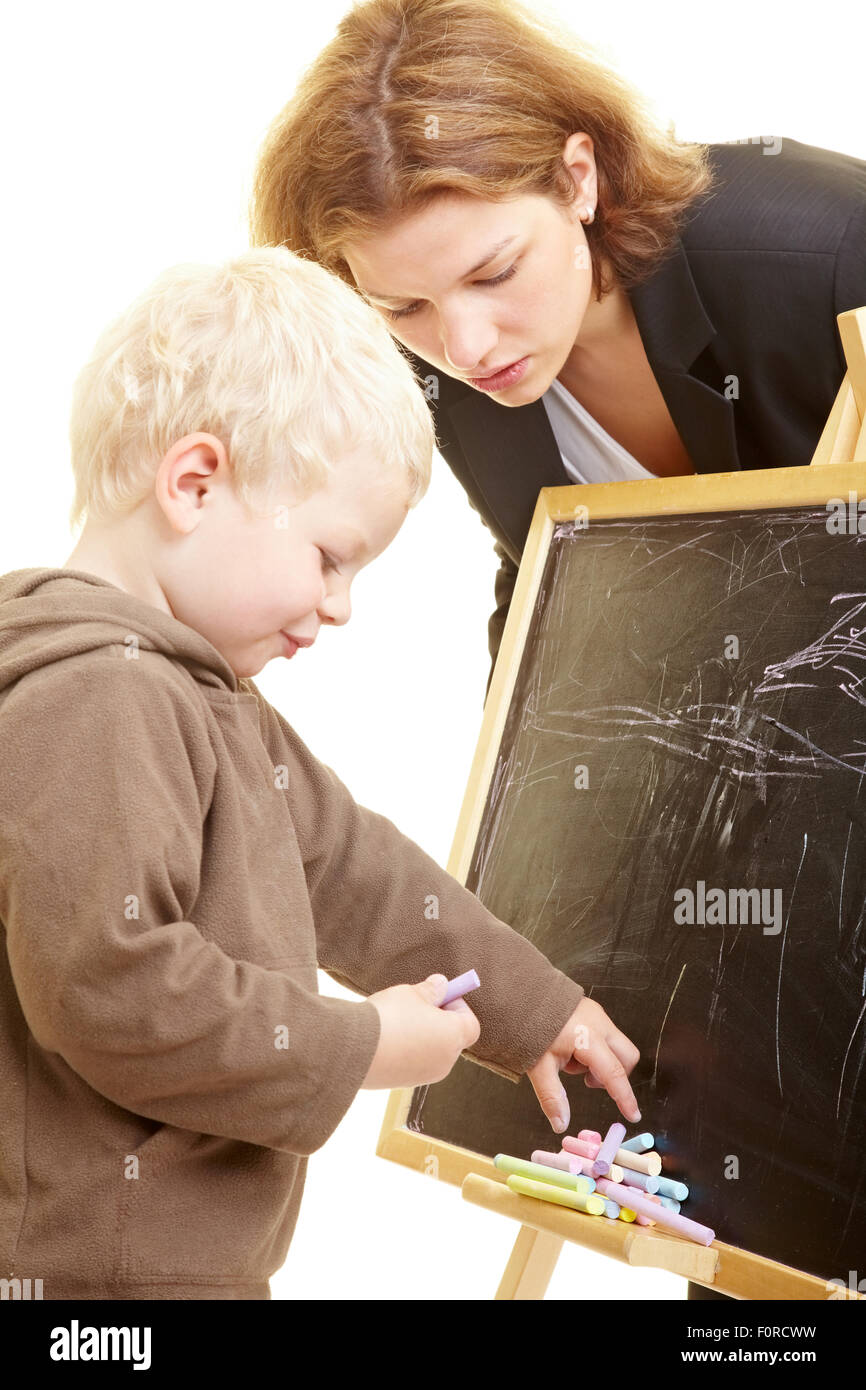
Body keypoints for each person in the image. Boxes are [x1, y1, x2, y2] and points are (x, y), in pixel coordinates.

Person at [248, 0, 866, 1300]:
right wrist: (539, 811)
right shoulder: (464, 385)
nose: (464, 345)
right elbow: (561, 569)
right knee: (745, 1208)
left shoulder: (818, 246)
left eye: (489, 271)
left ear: (578, 174)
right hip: (769, 864)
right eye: (403, 304)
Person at [0, 247, 639, 1300]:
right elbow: (109, 990)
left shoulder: (202, 693)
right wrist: (363, 1044)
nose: (340, 604)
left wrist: (534, 1008)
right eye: (330, 557)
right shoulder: (97, 697)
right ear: (194, 484)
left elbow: (349, 865)